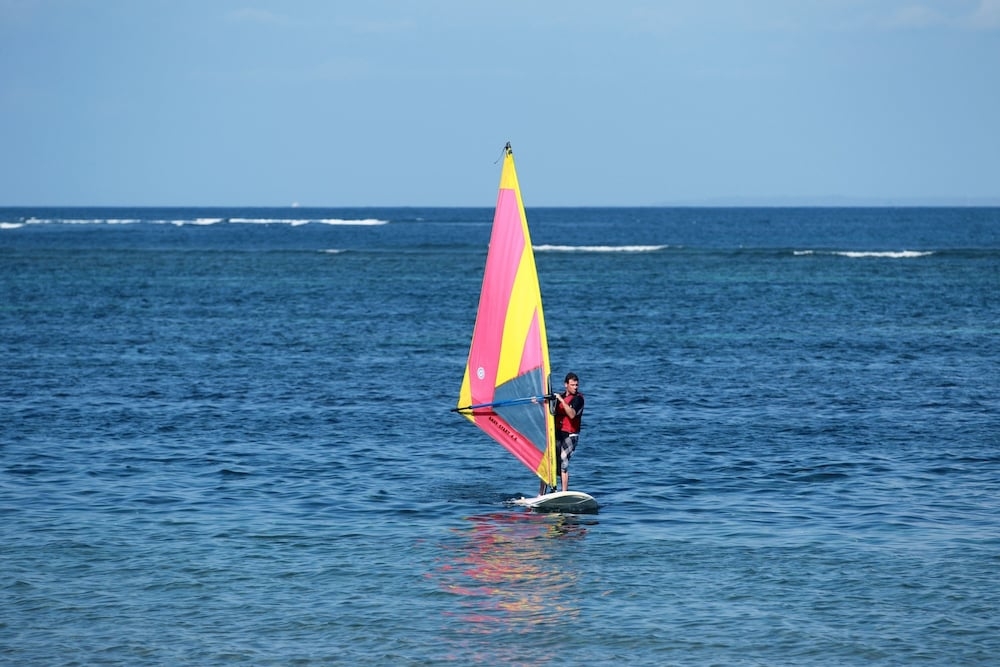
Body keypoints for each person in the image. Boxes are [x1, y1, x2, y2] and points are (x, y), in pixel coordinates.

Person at [540, 372, 584, 495]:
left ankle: (564, 493)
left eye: (576, 385)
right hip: (557, 433)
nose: (575, 387)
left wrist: (561, 401)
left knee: (563, 461)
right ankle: (541, 493)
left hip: (570, 434)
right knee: (547, 462)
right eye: (572, 385)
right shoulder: (559, 396)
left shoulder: (578, 399)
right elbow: (548, 409)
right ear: (566, 385)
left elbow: (571, 414)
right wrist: (539, 401)